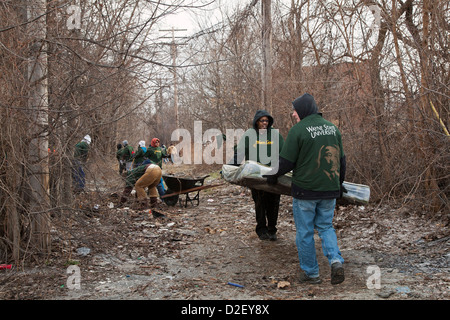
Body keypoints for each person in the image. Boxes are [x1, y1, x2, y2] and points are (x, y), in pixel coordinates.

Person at [263, 93, 346, 285]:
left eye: (295, 110)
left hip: (305, 191)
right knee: (326, 227)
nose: (293, 114)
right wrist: (339, 183)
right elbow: (341, 161)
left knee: (305, 231)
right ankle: (335, 260)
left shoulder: (298, 130)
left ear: (303, 110)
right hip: (329, 189)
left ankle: (311, 273)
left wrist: (271, 175)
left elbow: (286, 162)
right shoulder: (333, 129)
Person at [230, 110, 284, 241]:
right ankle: (261, 229)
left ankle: (272, 229)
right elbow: (240, 152)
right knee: (259, 202)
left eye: (266, 121)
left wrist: (280, 170)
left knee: (274, 203)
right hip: (255, 176)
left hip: (273, 175)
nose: (264, 123)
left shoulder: (275, 135)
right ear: (256, 122)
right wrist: (230, 168)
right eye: (262, 121)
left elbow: (284, 154)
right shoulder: (250, 135)